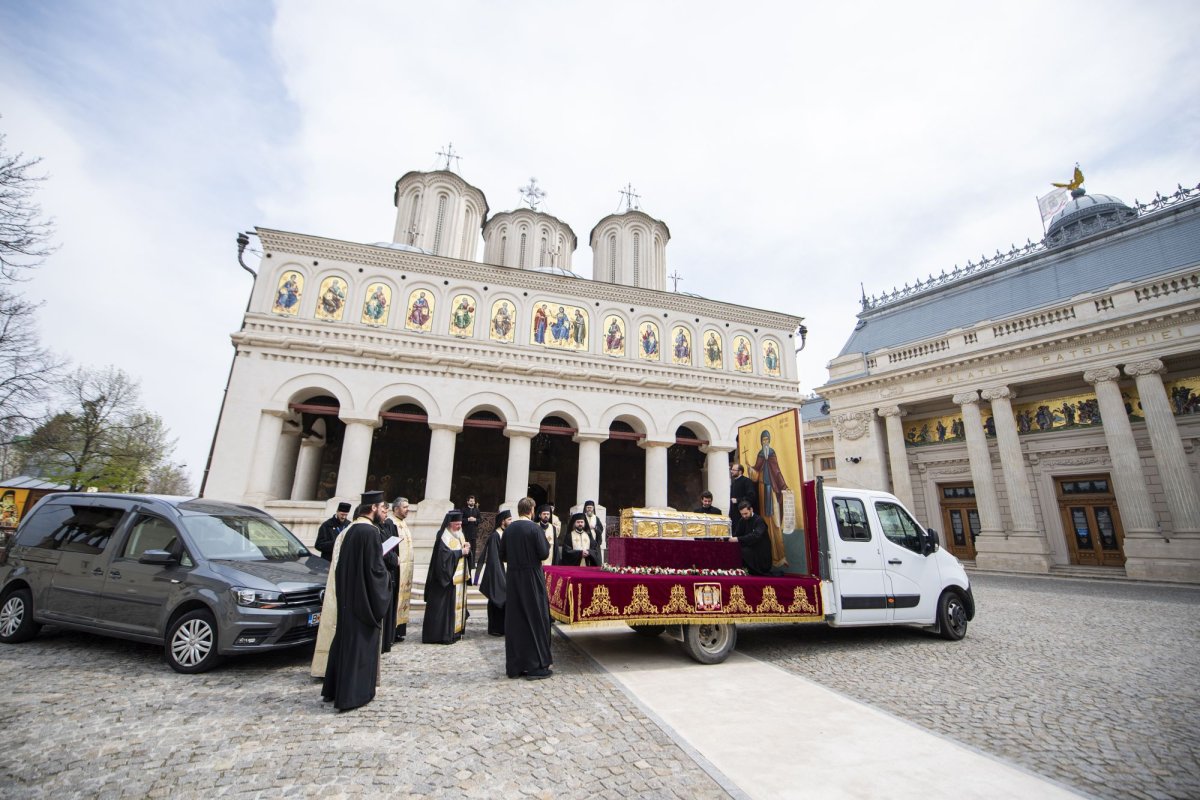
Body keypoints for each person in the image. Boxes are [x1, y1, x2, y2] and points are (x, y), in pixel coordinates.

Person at [320, 491, 392, 711]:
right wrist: (388, 579)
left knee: (344, 642)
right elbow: (375, 570)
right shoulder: (370, 532)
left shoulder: (350, 530)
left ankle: (335, 689)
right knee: (359, 647)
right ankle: (354, 695)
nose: (384, 513)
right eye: (382, 508)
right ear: (372, 508)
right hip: (363, 603)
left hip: (348, 599)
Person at [500, 497, 552, 680]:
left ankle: (516, 666)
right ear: (531, 510)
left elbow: (502, 555)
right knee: (536, 617)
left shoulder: (509, 529)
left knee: (516, 620)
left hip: (514, 577)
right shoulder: (534, 528)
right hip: (531, 576)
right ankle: (535, 664)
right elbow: (544, 553)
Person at [422, 510, 471, 644]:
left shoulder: (459, 534)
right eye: (457, 524)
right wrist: (461, 552)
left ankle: (455, 633)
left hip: (457, 580)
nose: (459, 527)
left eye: (461, 524)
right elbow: (443, 559)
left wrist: (466, 548)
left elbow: (461, 552)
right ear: (450, 524)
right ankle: (443, 635)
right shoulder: (444, 536)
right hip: (445, 580)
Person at [476, 509, 510, 636]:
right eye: (509, 520)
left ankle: (502, 628)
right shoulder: (496, 535)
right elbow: (494, 558)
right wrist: (500, 576)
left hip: (504, 571)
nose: (511, 522)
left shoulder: (503, 533)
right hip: (497, 573)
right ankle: (496, 628)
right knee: (497, 600)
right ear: (503, 522)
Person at [389, 497, 415, 642]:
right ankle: (392, 631)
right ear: (396, 508)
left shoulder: (403, 523)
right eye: (405, 507)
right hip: (397, 570)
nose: (407, 509)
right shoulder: (391, 523)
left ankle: (399, 630)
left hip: (406, 569)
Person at [733, 500, 772, 576]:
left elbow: (756, 536)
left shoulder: (759, 520)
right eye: (742, 514)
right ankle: (742, 571)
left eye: (746, 513)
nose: (744, 516)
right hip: (750, 548)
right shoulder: (742, 520)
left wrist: (738, 539)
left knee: (744, 551)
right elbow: (737, 534)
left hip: (760, 552)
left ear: (751, 509)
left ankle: (746, 571)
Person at [459, 495, 482, 572]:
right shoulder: (464, 510)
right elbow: (460, 520)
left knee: (473, 548)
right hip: (466, 532)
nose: (472, 502)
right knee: (466, 548)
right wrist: (468, 519)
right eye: (471, 501)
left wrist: (475, 519)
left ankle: (472, 564)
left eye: (473, 501)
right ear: (468, 502)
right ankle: (465, 563)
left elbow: (480, 520)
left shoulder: (477, 510)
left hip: (474, 533)